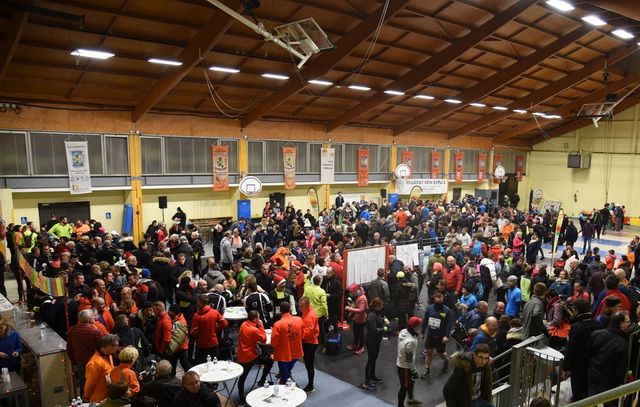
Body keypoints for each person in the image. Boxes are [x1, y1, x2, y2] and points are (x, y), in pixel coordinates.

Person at [586, 310, 630, 407]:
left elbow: (588, 353)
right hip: (610, 381)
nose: (629, 324)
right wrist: (622, 381)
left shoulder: (596, 334)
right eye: (628, 322)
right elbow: (621, 367)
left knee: (590, 402)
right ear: (622, 324)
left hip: (593, 374)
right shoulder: (623, 344)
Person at [562, 298, 602, 401]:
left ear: (576, 311)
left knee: (579, 395)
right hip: (594, 365)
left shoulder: (576, 327)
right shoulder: (598, 324)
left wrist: (566, 368)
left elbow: (570, 349)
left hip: (578, 367)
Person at [236, 310, 274, 406]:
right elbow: (263, 339)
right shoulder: (254, 330)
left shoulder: (243, 324)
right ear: (255, 319)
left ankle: (241, 399)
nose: (259, 319)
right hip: (250, 356)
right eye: (258, 317)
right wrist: (261, 326)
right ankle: (262, 381)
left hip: (241, 353)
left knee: (242, 378)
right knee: (270, 361)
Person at [443, 343, 494, 407]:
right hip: (466, 403)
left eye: (486, 358)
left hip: (479, 399)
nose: (483, 361)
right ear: (474, 355)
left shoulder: (486, 366)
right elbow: (447, 389)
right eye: (480, 357)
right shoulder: (463, 367)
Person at [67, 309, 103, 395]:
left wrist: (74, 363)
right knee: (97, 384)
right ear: (87, 319)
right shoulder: (95, 331)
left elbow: (69, 349)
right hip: (94, 363)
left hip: (80, 363)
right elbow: (102, 347)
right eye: (92, 316)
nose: (94, 317)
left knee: (84, 385)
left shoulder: (72, 330)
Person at [271, 301, 303, 384]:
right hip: (297, 351)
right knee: (286, 371)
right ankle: (285, 379)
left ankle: (285, 384)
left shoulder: (278, 324)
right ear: (290, 309)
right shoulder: (299, 320)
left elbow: (274, 342)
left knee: (285, 373)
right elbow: (302, 334)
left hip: (283, 353)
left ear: (280, 311)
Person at [420, 292, 452, 378]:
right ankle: (427, 369)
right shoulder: (429, 309)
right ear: (434, 301)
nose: (439, 304)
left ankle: (446, 360)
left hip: (440, 336)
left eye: (440, 302)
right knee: (429, 352)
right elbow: (425, 320)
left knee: (440, 353)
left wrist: (446, 335)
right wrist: (422, 332)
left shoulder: (447, 310)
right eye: (437, 302)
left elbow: (449, 324)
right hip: (431, 335)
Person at [191, 294, 228, 365]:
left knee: (200, 365)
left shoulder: (196, 316)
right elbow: (225, 323)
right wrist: (216, 329)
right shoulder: (214, 312)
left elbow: (193, 331)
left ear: (199, 302)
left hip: (201, 344)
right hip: (214, 342)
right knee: (215, 364)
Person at [362, 297, 389, 390]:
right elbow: (374, 330)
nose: (382, 307)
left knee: (374, 359)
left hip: (376, 340)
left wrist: (384, 320)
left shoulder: (376, 313)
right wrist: (384, 329)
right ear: (377, 306)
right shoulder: (371, 316)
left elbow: (380, 319)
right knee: (371, 360)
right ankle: (366, 381)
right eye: (381, 305)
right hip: (371, 341)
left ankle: (372, 375)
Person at [84, 334, 119, 403]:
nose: (117, 348)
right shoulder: (95, 363)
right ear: (109, 346)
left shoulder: (109, 356)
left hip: (108, 397)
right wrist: (87, 396)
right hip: (98, 399)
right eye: (116, 346)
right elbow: (90, 383)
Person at [397, 317, 422, 407]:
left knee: (411, 382)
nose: (420, 326)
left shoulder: (403, 331)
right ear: (415, 327)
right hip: (405, 367)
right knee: (404, 386)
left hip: (403, 363)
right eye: (418, 324)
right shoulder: (410, 341)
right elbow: (409, 359)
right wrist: (414, 370)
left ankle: (411, 399)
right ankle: (400, 405)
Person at [299, 296, 319, 393]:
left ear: (307, 305)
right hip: (307, 341)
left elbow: (308, 333)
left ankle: (310, 385)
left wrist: (298, 336)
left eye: (302, 306)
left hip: (310, 342)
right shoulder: (306, 312)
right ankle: (310, 384)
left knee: (309, 364)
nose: (300, 308)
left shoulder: (310, 316)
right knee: (308, 363)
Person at [345, 283, 368, 354]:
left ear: (356, 290)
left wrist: (350, 309)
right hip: (357, 318)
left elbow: (361, 310)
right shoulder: (358, 296)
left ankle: (361, 347)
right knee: (355, 331)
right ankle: (355, 344)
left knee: (360, 333)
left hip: (361, 319)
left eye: (352, 292)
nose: (351, 293)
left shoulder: (362, 298)